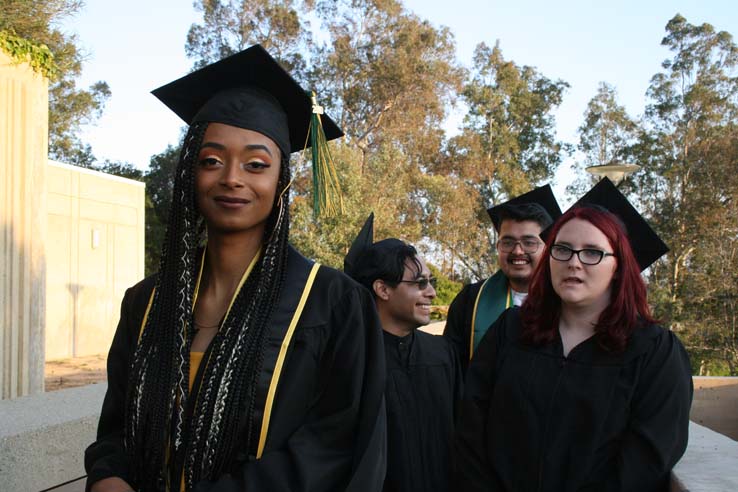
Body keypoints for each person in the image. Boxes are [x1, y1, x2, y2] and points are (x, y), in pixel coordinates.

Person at [84, 45, 386, 492]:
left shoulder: (332, 302)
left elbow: (335, 446)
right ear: (190, 172)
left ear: (281, 180)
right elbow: (115, 426)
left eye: (256, 164)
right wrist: (109, 476)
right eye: (211, 160)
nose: (231, 177)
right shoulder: (146, 303)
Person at [453, 178, 693, 492]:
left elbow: (647, 458)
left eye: (592, 252)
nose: (574, 263)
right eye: (562, 249)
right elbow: (471, 430)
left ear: (619, 267)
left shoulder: (654, 352)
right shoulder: (510, 331)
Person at [344, 214, 463, 492]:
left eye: (429, 281)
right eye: (420, 283)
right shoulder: (352, 362)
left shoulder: (443, 355)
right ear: (383, 289)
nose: (432, 292)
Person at [443, 185, 561, 373]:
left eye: (529, 243)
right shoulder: (470, 301)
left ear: (548, 248)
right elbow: (452, 370)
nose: (517, 251)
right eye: (508, 242)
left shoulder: (566, 301)